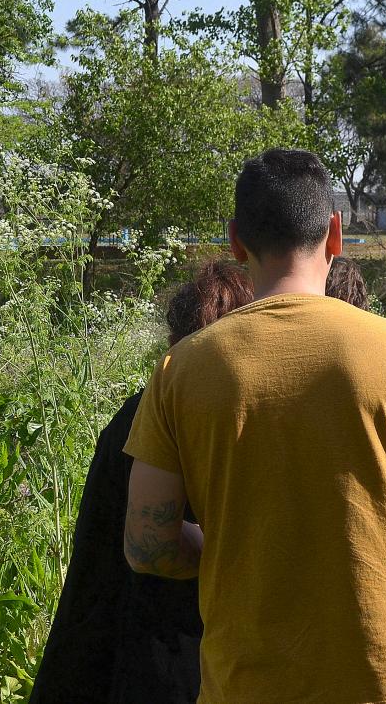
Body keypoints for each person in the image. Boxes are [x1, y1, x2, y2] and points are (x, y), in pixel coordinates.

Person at [121, 149, 386, 704]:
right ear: (335, 234)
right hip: (384, 679)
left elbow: (147, 544)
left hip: (247, 685)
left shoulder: (182, 370)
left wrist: (226, 548)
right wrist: (374, 549)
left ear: (236, 241)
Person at [31, 261, 253, 704]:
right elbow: (155, 542)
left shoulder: (137, 413)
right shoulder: (197, 420)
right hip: (176, 655)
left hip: (113, 648)